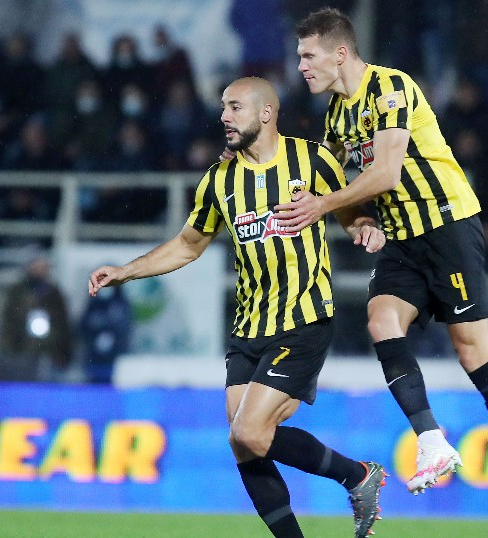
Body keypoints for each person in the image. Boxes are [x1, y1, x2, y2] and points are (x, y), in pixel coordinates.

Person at [275, 9, 488, 535]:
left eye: (308, 56)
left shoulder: (390, 88)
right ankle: (431, 440)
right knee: (381, 320)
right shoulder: (336, 117)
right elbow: (331, 186)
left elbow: (385, 172)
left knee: (472, 350)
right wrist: (357, 219)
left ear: (340, 53)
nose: (302, 66)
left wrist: (324, 204)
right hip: (402, 237)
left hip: (447, 224)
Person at [89, 77, 387, 538]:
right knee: (244, 442)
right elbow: (188, 245)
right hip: (249, 328)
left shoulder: (312, 160)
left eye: (234, 107)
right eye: (223, 108)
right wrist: (126, 271)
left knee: (249, 430)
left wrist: (363, 225)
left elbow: (346, 208)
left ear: (266, 113)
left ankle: (357, 475)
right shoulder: (219, 180)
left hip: (303, 318)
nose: (224, 117)